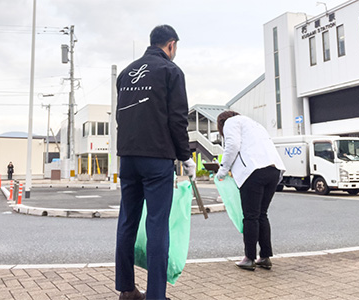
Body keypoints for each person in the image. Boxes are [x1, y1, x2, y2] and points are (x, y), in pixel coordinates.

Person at [114, 24, 196, 300]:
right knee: (157, 225)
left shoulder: (126, 73)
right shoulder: (171, 71)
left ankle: (126, 289)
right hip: (157, 158)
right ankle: (156, 295)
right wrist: (186, 157)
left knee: (127, 221)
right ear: (171, 45)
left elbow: (120, 117)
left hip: (127, 157)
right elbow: (177, 120)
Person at [215, 111, 286, 271]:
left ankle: (249, 258)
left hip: (254, 171)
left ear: (221, 122)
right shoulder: (255, 125)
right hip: (274, 170)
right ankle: (265, 257)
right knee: (262, 214)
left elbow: (232, 146)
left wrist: (223, 171)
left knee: (250, 216)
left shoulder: (231, 123)